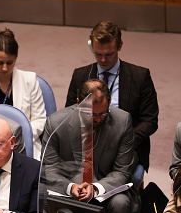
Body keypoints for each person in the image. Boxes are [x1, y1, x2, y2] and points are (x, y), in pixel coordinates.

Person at [65, 21, 158, 175]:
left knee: (109, 175)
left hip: (126, 145)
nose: (103, 60)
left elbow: (150, 121)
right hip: (88, 143)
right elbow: (70, 114)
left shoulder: (140, 77)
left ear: (120, 46)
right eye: (98, 54)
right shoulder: (80, 76)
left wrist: (124, 141)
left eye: (109, 54)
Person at [43, 79, 140, 213]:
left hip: (104, 188)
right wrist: (70, 187)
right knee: (40, 196)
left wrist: (95, 188)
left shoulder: (122, 121)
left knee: (121, 204)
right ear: (78, 103)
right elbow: (49, 168)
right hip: (68, 186)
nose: (98, 119)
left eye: (103, 113)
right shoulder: (56, 123)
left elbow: (122, 171)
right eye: (91, 114)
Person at [0, 28, 46, 160]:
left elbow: (39, 119)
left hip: (23, 145)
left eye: (9, 63)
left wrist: (17, 139)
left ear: (16, 58)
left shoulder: (30, 80)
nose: (4, 68)